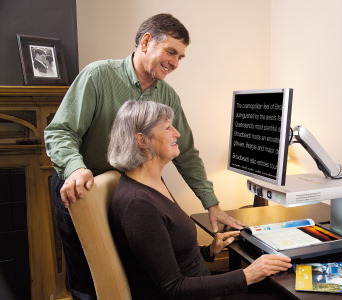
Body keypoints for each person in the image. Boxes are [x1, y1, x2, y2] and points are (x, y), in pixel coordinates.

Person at [44, 13, 245, 300]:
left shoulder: (168, 96)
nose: (175, 63)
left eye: (180, 57)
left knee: (131, 271)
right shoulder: (98, 76)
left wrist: (211, 204)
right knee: (91, 279)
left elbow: (186, 151)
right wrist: (76, 168)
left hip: (126, 192)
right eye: (171, 52)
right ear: (147, 42)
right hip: (81, 187)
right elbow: (60, 132)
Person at [107, 100, 292, 300]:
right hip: (188, 294)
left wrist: (209, 251)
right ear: (142, 141)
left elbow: (167, 254)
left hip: (199, 283)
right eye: (168, 128)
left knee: (281, 285)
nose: (177, 133)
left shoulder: (152, 182)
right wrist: (248, 274)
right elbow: (173, 288)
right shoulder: (138, 205)